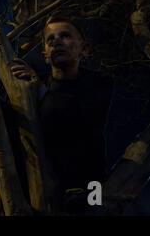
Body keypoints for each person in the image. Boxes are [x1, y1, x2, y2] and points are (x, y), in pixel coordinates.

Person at [11, 14, 113, 213]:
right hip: (39, 186)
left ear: (84, 48)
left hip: (91, 186)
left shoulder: (101, 84)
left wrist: (39, 89)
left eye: (65, 36)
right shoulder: (36, 84)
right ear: (45, 54)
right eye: (50, 40)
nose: (56, 41)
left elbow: (80, 116)